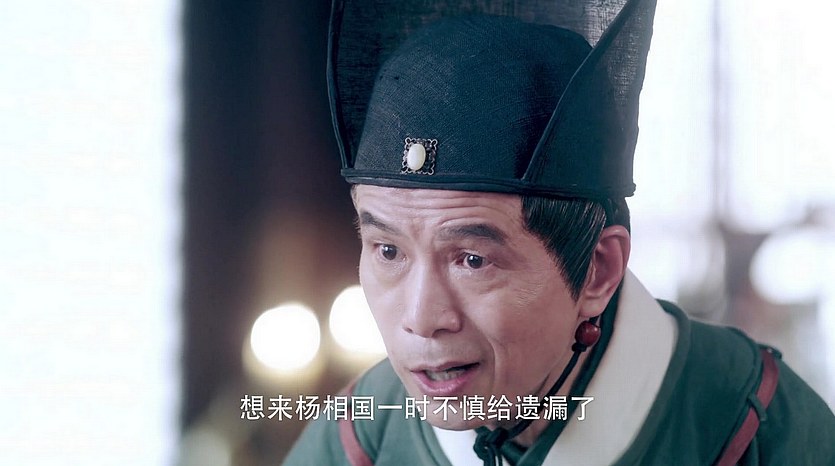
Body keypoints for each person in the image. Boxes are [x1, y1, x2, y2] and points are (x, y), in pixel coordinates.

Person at [284, 0, 835, 464]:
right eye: (387, 250)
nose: (421, 318)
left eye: (472, 259)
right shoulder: (360, 437)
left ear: (597, 270)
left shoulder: (757, 427)